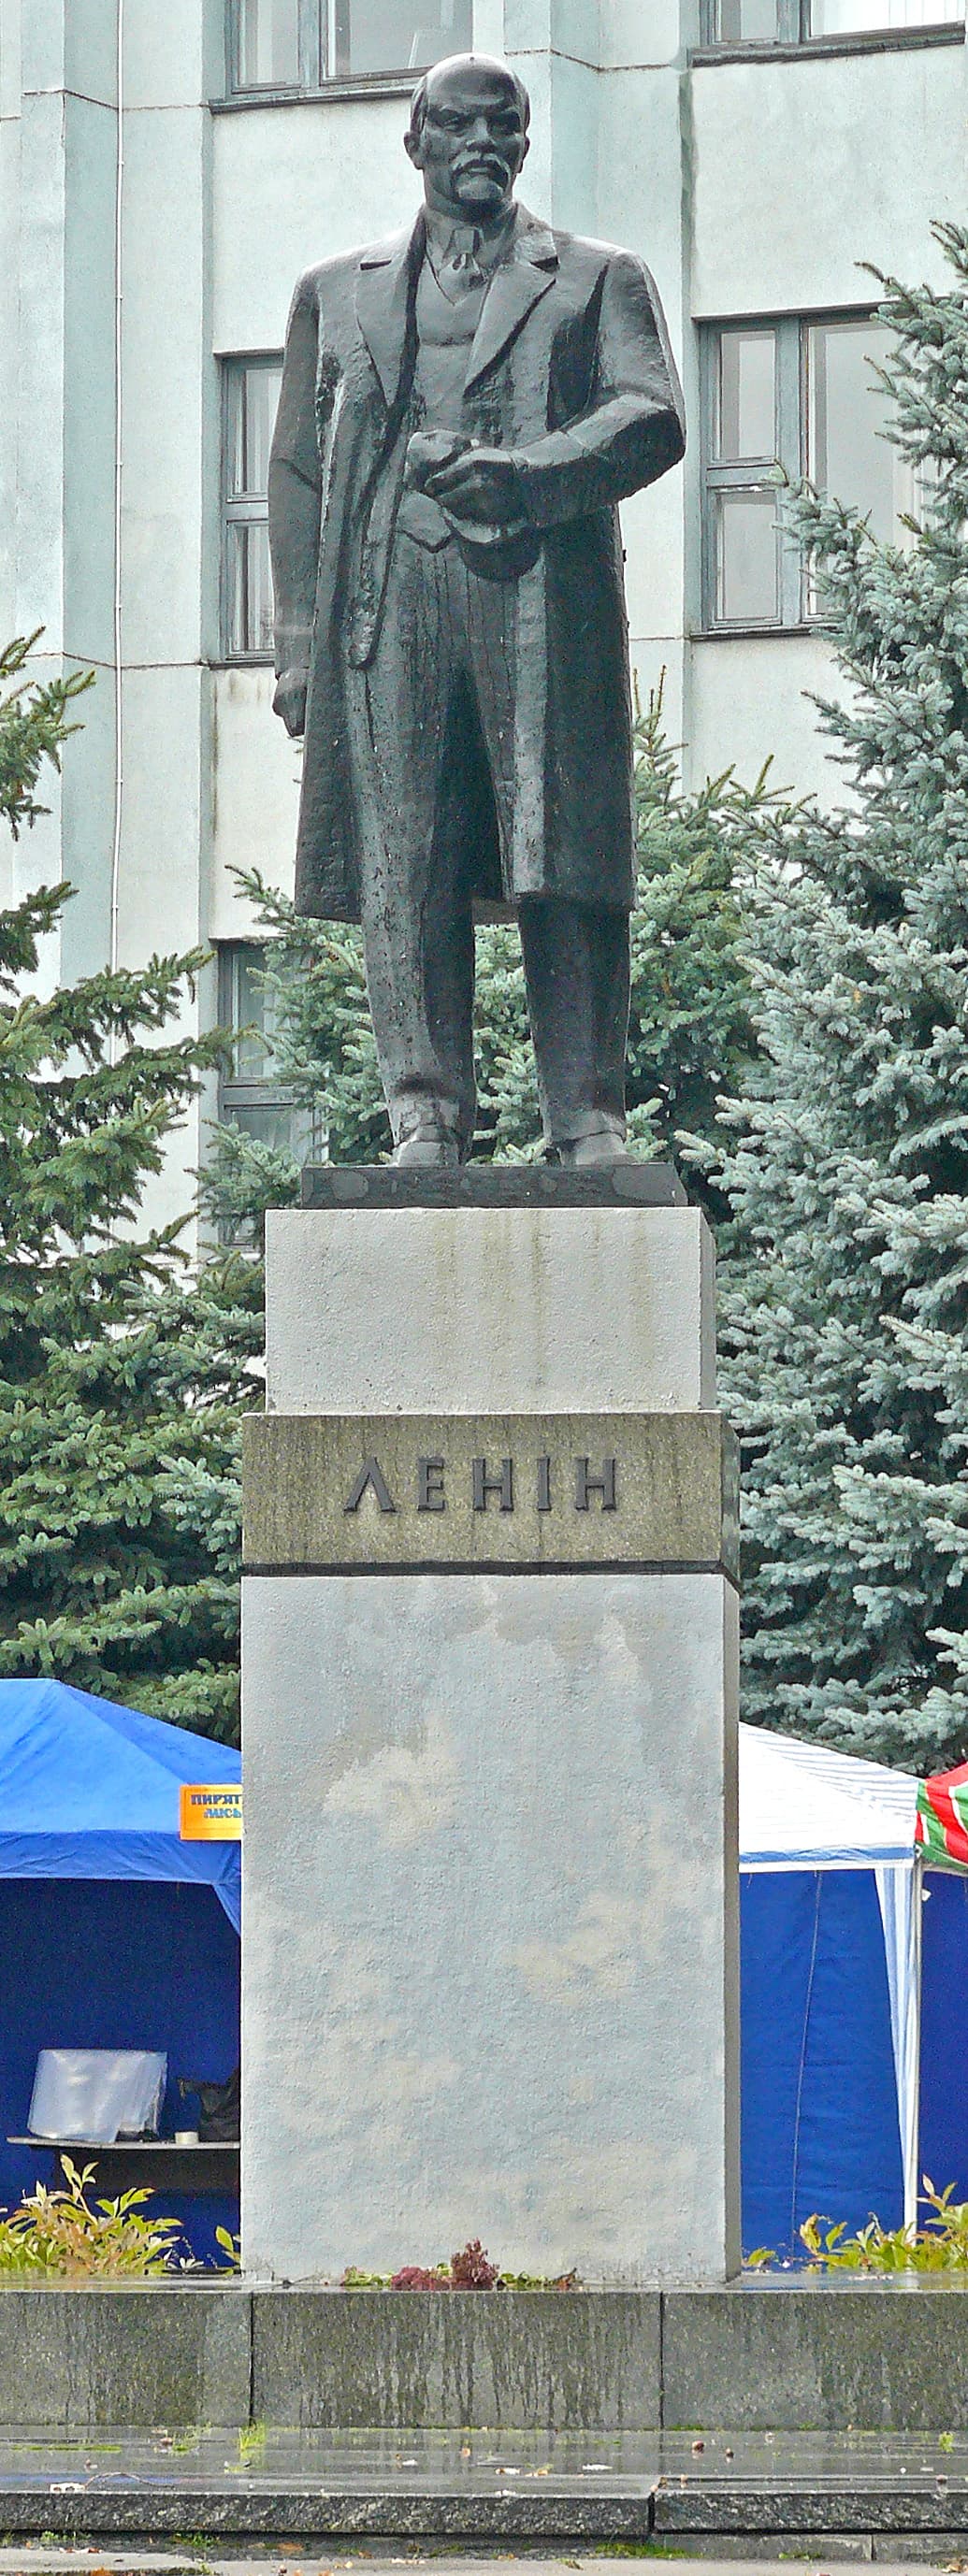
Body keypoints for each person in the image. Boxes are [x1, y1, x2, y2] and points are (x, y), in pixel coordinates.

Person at [269, 52, 686, 1169]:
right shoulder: (335, 291)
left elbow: (652, 415)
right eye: (456, 127)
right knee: (407, 852)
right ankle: (423, 1110)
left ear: (526, 142)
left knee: (563, 848)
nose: (482, 145)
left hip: (544, 598)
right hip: (389, 598)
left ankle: (586, 1113)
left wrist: (529, 472)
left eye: (504, 126)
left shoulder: (599, 276)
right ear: (414, 142)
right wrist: (301, 644)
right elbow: (300, 473)